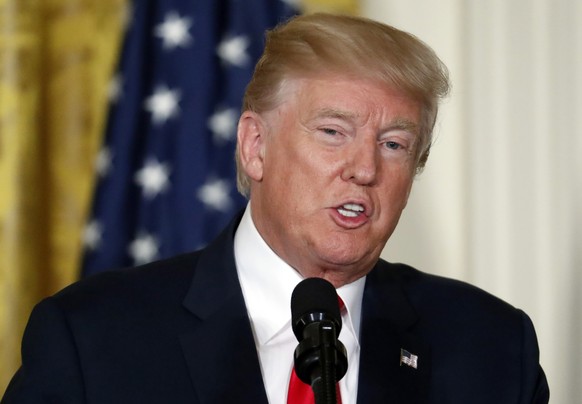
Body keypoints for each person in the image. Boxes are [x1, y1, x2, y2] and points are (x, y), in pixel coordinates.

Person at [2, 13, 549, 404]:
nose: (365, 168)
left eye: (394, 144)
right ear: (254, 147)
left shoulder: (493, 347)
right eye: (333, 132)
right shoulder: (93, 337)